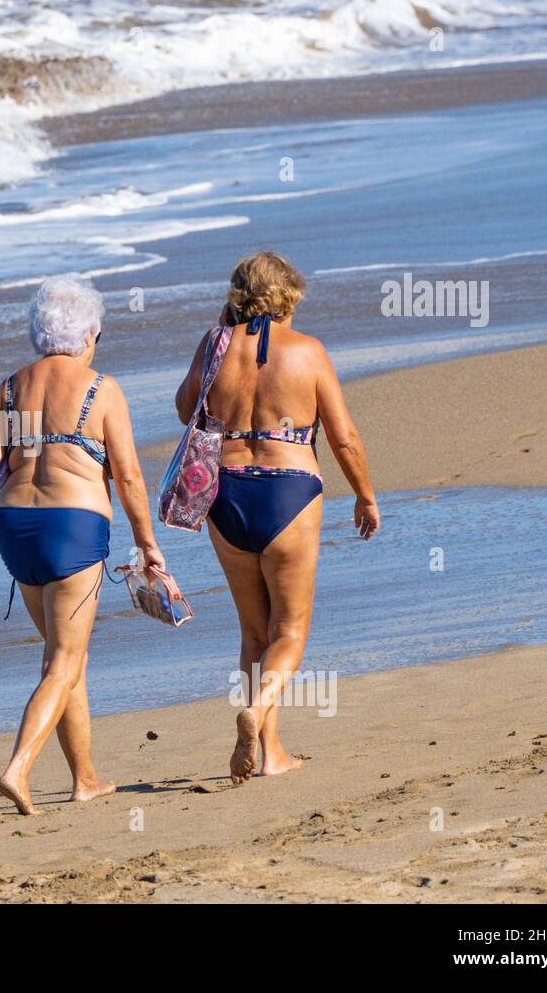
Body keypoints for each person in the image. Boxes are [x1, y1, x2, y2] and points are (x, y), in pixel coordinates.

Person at [174, 251, 379, 784]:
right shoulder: (307, 351)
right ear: (289, 298)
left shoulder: (214, 345)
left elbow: (185, 408)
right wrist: (365, 495)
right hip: (288, 490)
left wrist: (220, 340)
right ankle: (258, 710)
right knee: (289, 630)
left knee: (253, 632)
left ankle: (272, 754)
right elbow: (343, 435)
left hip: (225, 492)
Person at [0, 275, 165, 814]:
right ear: (89, 335)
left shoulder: (11, 386)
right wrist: (147, 543)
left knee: (63, 658)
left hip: (15, 529)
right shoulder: (102, 388)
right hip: (72, 527)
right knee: (63, 661)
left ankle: (86, 779)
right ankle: (18, 768)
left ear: (39, 333)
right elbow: (127, 477)